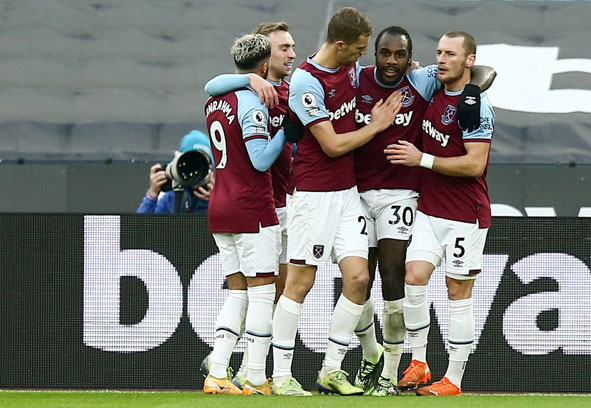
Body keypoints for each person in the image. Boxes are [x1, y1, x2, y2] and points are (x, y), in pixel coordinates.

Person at [351, 26, 497, 396]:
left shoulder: (477, 107)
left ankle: (454, 379)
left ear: (469, 60)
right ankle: (419, 361)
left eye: (451, 54)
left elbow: (475, 165)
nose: (442, 60)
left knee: (457, 290)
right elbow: (474, 75)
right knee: (413, 278)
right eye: (440, 53)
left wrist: (423, 159)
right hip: (430, 210)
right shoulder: (430, 89)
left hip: (466, 212)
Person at [269, 7, 401, 396]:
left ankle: (331, 368)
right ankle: (280, 376)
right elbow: (332, 144)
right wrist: (376, 125)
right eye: (359, 50)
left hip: (347, 195)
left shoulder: (347, 70)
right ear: (340, 44)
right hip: (313, 194)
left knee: (359, 278)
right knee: (300, 282)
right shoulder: (306, 82)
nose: (362, 57)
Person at [202, 21, 308, 396]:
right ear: (264, 65)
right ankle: (257, 377)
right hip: (253, 206)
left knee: (239, 293)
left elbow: (211, 87)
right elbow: (261, 160)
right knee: (264, 294)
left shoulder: (216, 100)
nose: (291, 54)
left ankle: (217, 369)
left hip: (221, 207)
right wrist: (286, 133)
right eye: (282, 49)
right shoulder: (253, 102)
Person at [136, 130, 214, 214]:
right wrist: (152, 195)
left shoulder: (220, 193)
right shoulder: (172, 196)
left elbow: (227, 224)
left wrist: (216, 202)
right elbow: (140, 225)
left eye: (202, 162)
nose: (195, 167)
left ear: (210, 167)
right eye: (191, 162)